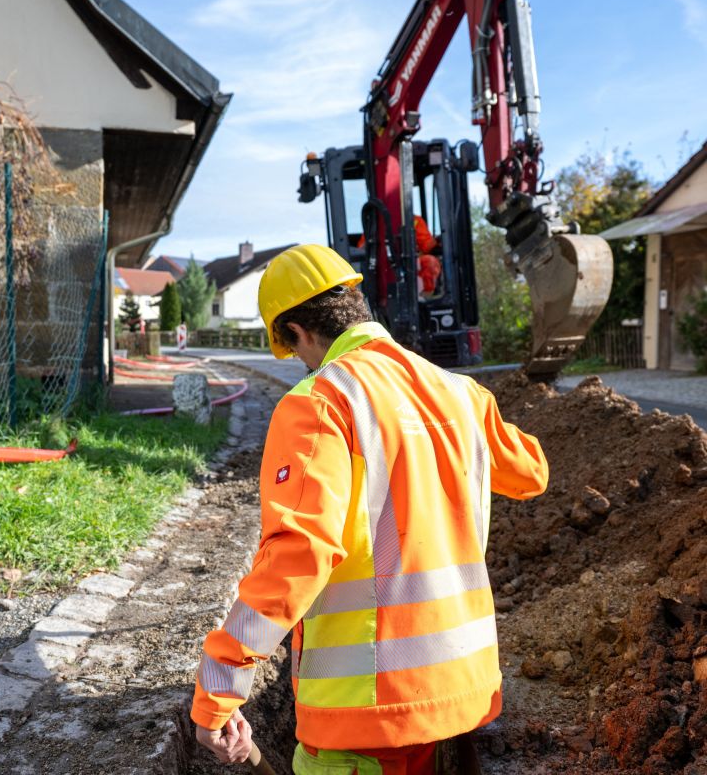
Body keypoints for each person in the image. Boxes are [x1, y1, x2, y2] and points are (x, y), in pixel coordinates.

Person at [191, 244, 548, 773]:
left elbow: (299, 554)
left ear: (297, 332)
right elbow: (531, 472)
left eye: (296, 354)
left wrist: (219, 686)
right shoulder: (459, 392)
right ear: (353, 302)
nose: (304, 367)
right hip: (464, 691)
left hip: (366, 710)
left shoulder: (319, 402)